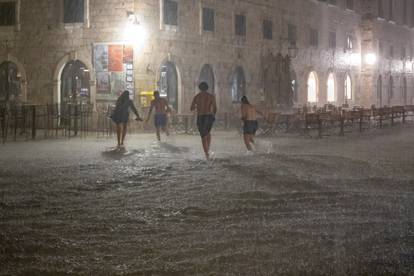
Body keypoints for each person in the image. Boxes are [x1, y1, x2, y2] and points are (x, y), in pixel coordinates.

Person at [190, 82, 217, 159]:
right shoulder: (211, 97)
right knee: (207, 133)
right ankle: (208, 149)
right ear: (207, 88)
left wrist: (197, 106)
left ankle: (206, 153)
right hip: (209, 116)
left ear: (199, 88)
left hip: (201, 116)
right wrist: (213, 115)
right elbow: (215, 108)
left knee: (203, 135)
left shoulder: (197, 97)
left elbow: (191, 108)